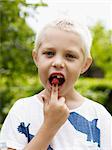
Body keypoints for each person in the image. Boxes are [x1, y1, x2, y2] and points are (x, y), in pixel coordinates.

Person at [0, 17, 112, 150]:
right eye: (49, 53)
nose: (58, 62)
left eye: (70, 56)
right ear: (36, 58)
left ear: (85, 65)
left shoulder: (99, 116)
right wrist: (49, 126)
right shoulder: (22, 110)